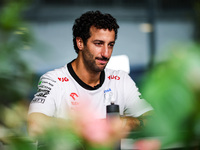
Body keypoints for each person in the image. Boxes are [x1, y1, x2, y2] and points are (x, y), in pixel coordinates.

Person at [28, 10, 153, 137]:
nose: (106, 53)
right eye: (98, 44)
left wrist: (127, 122)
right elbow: (35, 124)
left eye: (110, 45)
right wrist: (98, 127)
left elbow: (153, 120)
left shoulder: (121, 80)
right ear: (80, 43)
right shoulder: (54, 80)